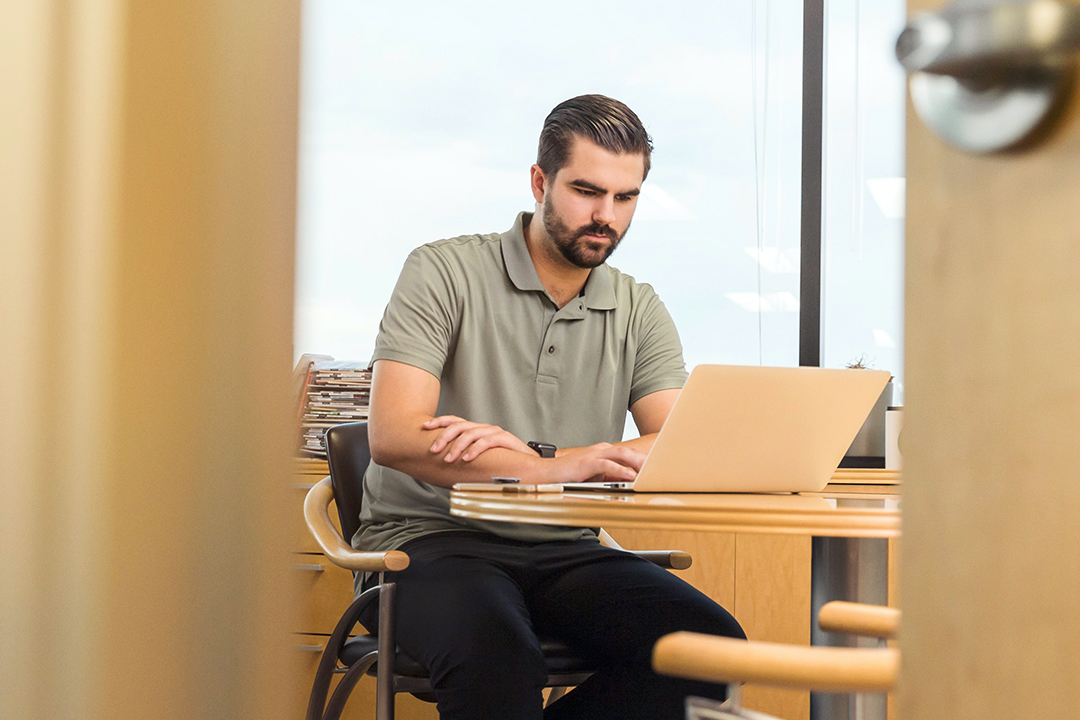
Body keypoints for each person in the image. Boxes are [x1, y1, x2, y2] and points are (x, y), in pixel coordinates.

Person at [356, 94, 745, 720]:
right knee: (497, 653)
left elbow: (673, 445)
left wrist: (539, 459)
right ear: (540, 181)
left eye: (626, 197)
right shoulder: (443, 270)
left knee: (710, 653)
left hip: (567, 547)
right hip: (430, 543)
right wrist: (555, 466)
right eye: (586, 191)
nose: (605, 216)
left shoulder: (639, 308)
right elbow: (395, 436)